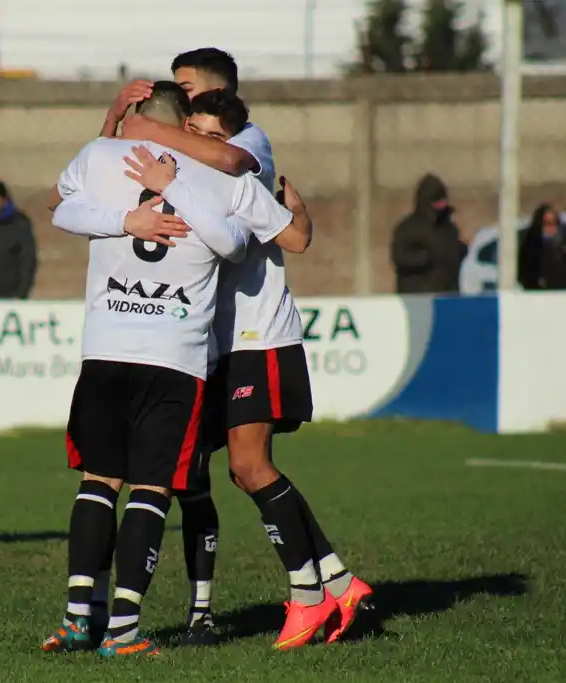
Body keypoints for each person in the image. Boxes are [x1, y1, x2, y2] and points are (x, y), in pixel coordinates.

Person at [91, 50, 372, 650]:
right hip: (209, 342)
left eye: (187, 89)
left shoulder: (247, 141)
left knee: (246, 466)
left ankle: (307, 595)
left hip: (256, 334)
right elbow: (108, 169)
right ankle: (334, 582)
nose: (180, 101)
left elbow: (252, 192)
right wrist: (117, 119)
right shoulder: (190, 147)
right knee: (204, 475)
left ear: (219, 91)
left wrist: (146, 127)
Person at [40, 82, 312, 658]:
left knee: (97, 480)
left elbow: (61, 208)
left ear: (142, 116)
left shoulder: (97, 154)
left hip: (104, 346)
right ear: (185, 122)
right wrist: (170, 194)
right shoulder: (219, 177)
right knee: (150, 487)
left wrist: (122, 219)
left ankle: (75, 621)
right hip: (173, 356)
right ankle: (121, 632)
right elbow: (236, 245)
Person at [391, 173, 467, 294]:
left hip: (448, 296)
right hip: (417, 297)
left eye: (442, 202)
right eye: (436, 203)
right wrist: (427, 257)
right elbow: (400, 258)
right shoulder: (408, 228)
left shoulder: (448, 228)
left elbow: (455, 254)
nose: (441, 206)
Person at [517, 203, 566, 290]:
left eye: (554, 222)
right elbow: (526, 276)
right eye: (546, 223)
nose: (551, 227)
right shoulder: (530, 248)